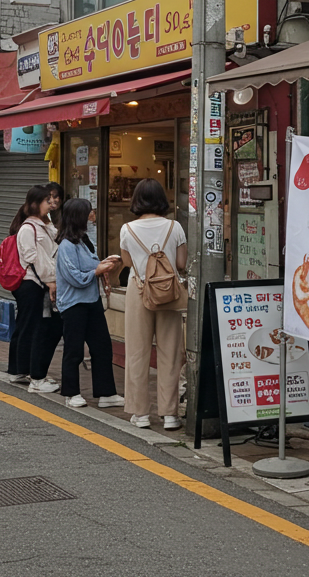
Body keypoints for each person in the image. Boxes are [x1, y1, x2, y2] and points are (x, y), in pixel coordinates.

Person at [118, 179, 188, 430]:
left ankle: (141, 413)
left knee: (137, 353)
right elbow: (181, 263)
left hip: (139, 291)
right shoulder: (175, 226)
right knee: (170, 353)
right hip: (169, 293)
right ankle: (170, 414)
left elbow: (127, 263)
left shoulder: (127, 229)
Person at [54, 198, 123, 409]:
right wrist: (97, 271)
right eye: (89, 212)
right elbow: (74, 276)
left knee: (102, 347)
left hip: (91, 301)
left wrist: (103, 265)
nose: (93, 215)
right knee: (74, 349)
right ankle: (71, 392)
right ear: (79, 216)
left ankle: (106, 393)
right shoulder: (66, 245)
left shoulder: (84, 241)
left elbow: (90, 265)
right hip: (74, 304)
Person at [7, 186, 60, 392]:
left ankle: (20, 370)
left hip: (39, 282)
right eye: (48, 200)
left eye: (54, 199)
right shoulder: (29, 228)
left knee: (28, 325)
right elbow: (32, 258)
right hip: (31, 283)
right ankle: (25, 372)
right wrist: (49, 280)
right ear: (36, 203)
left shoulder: (45, 224)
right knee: (32, 326)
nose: (52, 203)